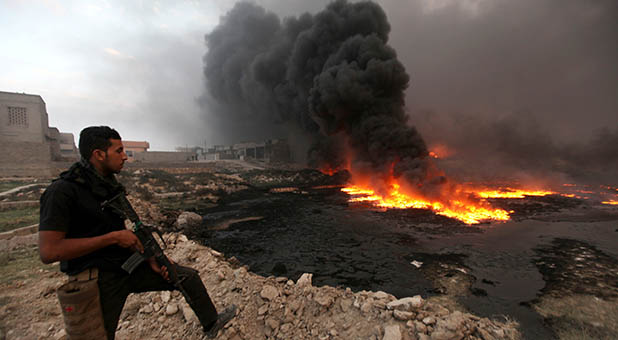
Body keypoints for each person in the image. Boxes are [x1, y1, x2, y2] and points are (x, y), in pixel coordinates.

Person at [38, 126, 236, 339]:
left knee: (187, 277)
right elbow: (49, 251)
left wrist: (150, 259)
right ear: (98, 154)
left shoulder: (107, 186)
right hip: (95, 281)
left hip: (125, 267)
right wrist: (112, 238)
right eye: (119, 151)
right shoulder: (62, 192)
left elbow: (128, 229)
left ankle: (211, 324)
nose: (125, 157)